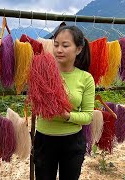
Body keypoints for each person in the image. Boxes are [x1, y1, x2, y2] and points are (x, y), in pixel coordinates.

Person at [33, 26, 95, 180]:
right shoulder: (43, 72)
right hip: (44, 140)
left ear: (78, 49)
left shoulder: (85, 78)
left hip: (72, 142)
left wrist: (67, 115)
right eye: (56, 45)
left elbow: (88, 116)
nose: (59, 50)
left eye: (65, 45)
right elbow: (35, 104)